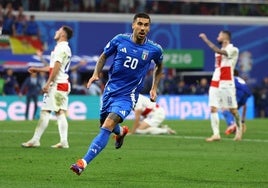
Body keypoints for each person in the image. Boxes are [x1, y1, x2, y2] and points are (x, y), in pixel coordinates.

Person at [70, 12, 163, 175]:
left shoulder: (154, 49)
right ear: (133, 25)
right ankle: (121, 132)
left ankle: (82, 163)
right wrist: (95, 74)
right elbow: (104, 56)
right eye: (139, 24)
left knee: (106, 126)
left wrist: (154, 87)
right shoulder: (120, 40)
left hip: (128, 96)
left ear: (149, 28)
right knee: (105, 125)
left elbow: (159, 66)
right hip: (110, 92)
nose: (142, 28)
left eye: (146, 25)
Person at [21, 25, 73, 148]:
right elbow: (53, 67)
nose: (56, 32)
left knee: (46, 111)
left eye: (59, 30)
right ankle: (64, 141)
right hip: (62, 83)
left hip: (57, 84)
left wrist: (49, 82)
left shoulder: (61, 48)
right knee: (59, 112)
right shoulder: (64, 48)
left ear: (63, 34)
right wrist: (38, 69)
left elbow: (56, 67)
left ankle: (36, 140)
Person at [199, 30, 243, 142]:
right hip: (215, 81)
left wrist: (205, 39)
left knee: (233, 110)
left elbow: (218, 50)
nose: (218, 36)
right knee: (213, 108)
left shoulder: (233, 49)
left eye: (219, 35)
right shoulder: (218, 52)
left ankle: (239, 129)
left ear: (225, 37)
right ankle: (216, 134)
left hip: (227, 83)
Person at [223, 69, 252, 135]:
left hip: (239, 93)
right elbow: (245, 106)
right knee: (233, 110)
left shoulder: (230, 79)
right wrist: (243, 121)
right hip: (246, 94)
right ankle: (237, 125)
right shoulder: (240, 80)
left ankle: (232, 125)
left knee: (225, 109)